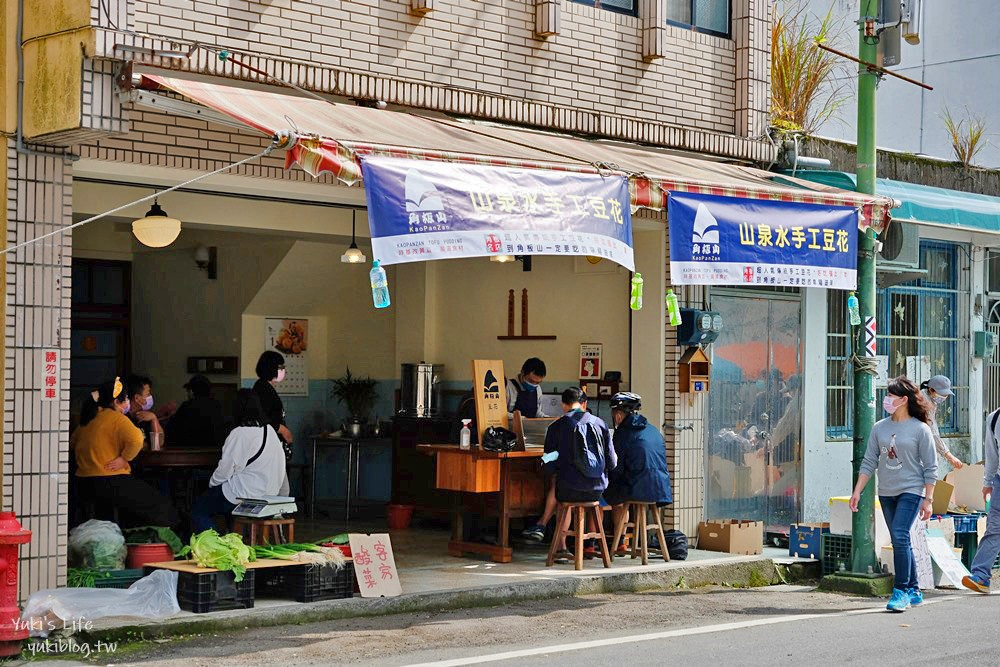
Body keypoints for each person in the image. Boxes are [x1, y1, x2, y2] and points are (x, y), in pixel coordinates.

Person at [849, 377, 937, 613]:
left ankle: (900, 591)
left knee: (899, 535)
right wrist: (857, 491)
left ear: (904, 400)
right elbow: (869, 461)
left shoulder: (920, 429)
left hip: (912, 489)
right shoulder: (879, 427)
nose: (886, 400)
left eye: (890, 396)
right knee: (902, 540)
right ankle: (914, 589)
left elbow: (930, 466)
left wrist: (928, 499)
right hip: (886, 491)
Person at [71, 377, 178, 528]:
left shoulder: (88, 418)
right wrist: (124, 458)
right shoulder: (117, 418)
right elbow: (137, 440)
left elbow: (72, 443)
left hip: (84, 481)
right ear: (116, 402)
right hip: (110, 478)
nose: (128, 401)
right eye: (126, 398)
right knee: (160, 505)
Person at [191, 390, 289, 533]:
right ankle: (236, 537)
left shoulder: (240, 433)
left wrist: (212, 484)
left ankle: (218, 546)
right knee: (223, 504)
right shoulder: (270, 431)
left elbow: (225, 470)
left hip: (243, 495)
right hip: (268, 494)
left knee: (198, 510)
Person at [543, 387, 616, 561]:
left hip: (569, 488)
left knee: (562, 500)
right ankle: (590, 546)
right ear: (584, 404)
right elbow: (612, 462)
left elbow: (549, 463)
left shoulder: (556, 426)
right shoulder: (601, 424)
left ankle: (561, 548)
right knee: (572, 491)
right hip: (596, 490)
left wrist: (557, 462)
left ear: (563, 405)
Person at [603, 392, 672, 555]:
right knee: (623, 488)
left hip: (637, 488)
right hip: (660, 488)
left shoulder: (622, 433)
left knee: (613, 495)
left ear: (618, 415)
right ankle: (630, 541)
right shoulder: (653, 430)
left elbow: (616, 467)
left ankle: (619, 541)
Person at [961, 406, 1000, 593]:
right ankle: (981, 577)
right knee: (995, 528)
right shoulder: (994, 418)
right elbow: (992, 454)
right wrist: (988, 482)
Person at [166, 375, 227, 449]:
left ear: (192, 391)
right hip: (215, 453)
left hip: (189, 454)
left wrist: (171, 416)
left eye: (188, 391)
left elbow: (172, 431)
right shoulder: (218, 406)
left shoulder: (187, 406)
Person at [252, 351, 294, 458]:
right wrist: (282, 430)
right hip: (267, 444)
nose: (283, 371)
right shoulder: (263, 388)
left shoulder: (264, 386)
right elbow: (263, 417)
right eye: (280, 367)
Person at [920, 375, 964, 470]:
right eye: (941, 394)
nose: (944, 397)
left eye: (945, 395)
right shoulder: (923, 402)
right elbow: (932, 433)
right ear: (931, 390)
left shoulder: (930, 399)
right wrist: (948, 455)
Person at [126, 374, 163, 443]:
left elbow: (159, 443)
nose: (150, 397)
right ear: (137, 398)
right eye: (148, 394)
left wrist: (154, 419)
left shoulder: (147, 416)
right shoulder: (124, 418)